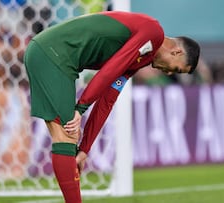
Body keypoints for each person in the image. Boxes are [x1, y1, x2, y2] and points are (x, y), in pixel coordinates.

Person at [23, 11, 200, 203]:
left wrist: (84, 150)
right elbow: (111, 69)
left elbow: (108, 99)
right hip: (54, 54)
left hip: (52, 54)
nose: (168, 72)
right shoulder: (153, 32)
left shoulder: (141, 58)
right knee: (66, 136)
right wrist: (81, 108)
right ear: (177, 52)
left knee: (66, 137)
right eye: (176, 68)